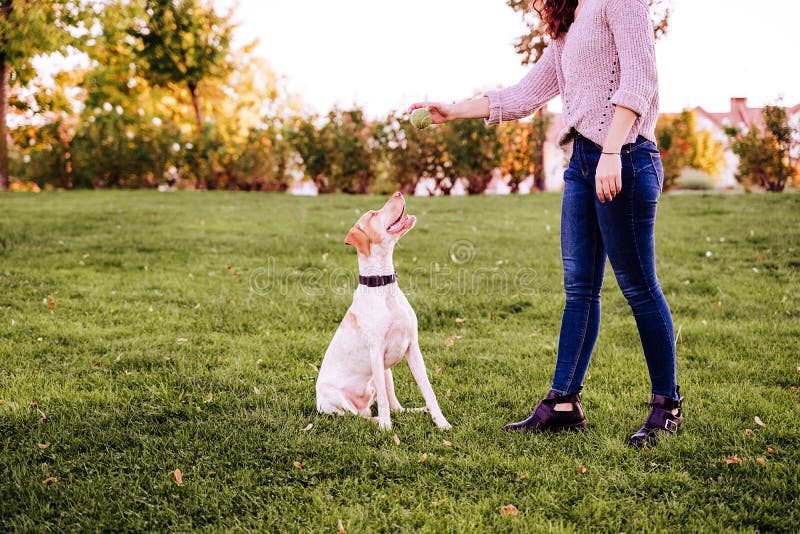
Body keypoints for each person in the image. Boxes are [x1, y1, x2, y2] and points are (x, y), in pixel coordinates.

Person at [408, 0, 682, 447]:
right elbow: (524, 94)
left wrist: (612, 152)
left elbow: (641, 78)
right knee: (579, 289)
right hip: (580, 163)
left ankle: (666, 405)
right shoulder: (568, 20)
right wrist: (450, 111)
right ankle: (563, 403)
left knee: (637, 286)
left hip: (626, 155)